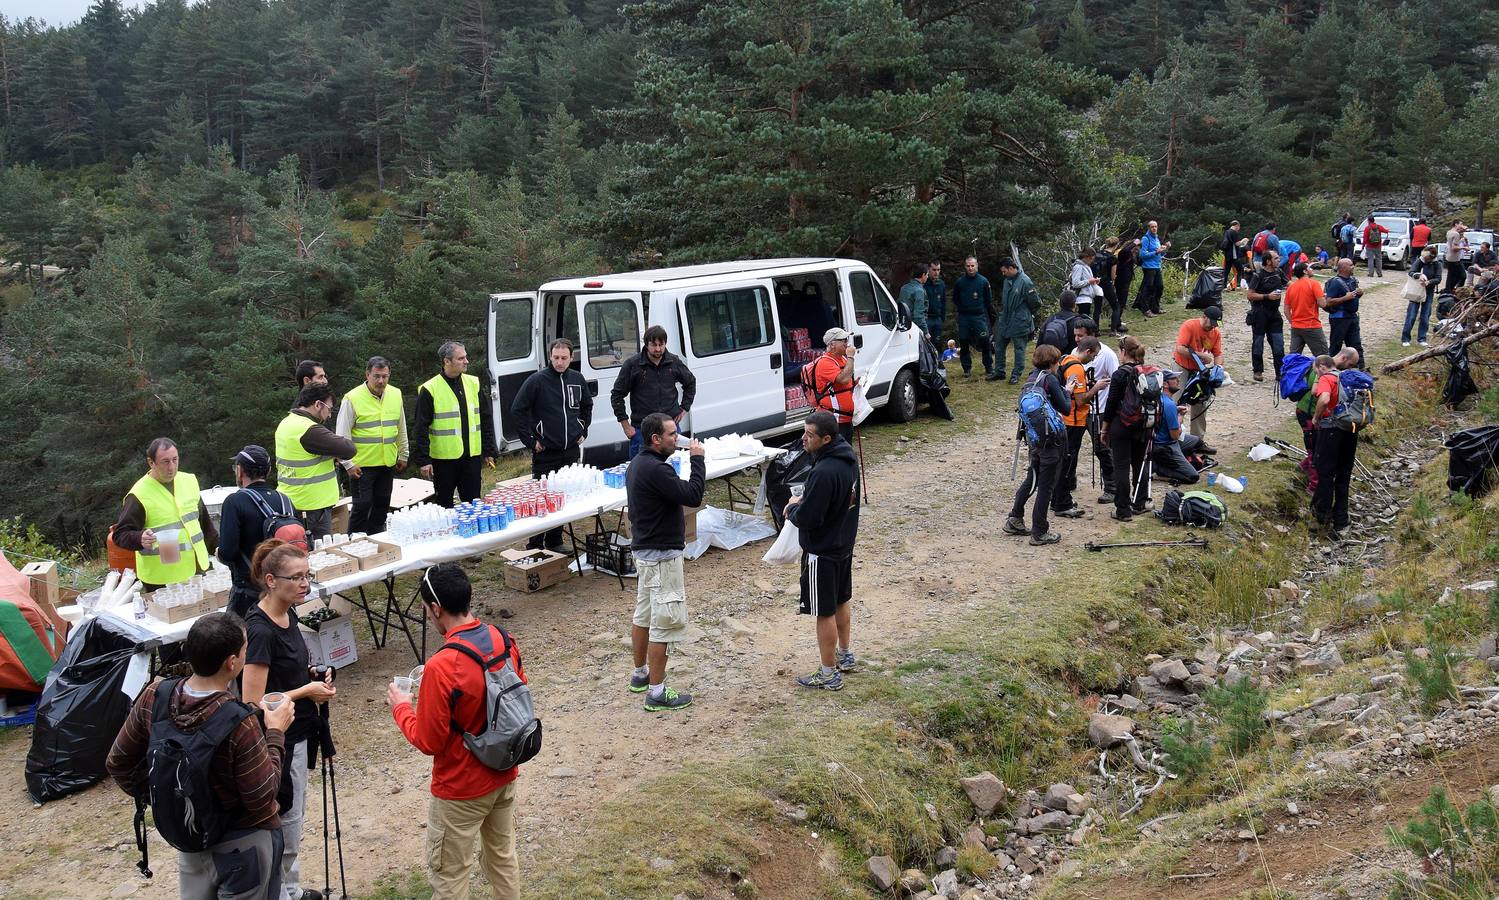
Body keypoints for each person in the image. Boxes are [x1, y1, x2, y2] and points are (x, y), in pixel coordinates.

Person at [107, 611, 291, 900]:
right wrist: (276, 732)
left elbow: (118, 762)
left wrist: (170, 795)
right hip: (242, 846)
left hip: (191, 840)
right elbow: (262, 797)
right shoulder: (238, 720)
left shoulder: (155, 695)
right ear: (232, 662)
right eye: (244, 650)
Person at [387, 563, 526, 900]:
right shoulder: (502, 639)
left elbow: (428, 740)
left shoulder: (441, 665)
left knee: (449, 877)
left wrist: (402, 706)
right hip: (504, 773)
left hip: (461, 787)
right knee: (502, 860)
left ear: (436, 609)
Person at [239, 540, 338, 900]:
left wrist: (311, 673)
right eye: (295, 578)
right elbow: (251, 702)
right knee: (288, 819)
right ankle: (285, 893)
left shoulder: (287, 612)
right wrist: (305, 691)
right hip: (279, 739)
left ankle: (288, 889)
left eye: (306, 576)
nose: (304, 584)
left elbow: (287, 670)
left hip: (299, 730)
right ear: (270, 580)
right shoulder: (261, 629)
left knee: (293, 818)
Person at [625, 413, 706, 711]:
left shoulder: (639, 464)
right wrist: (697, 460)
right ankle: (656, 692)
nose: (678, 437)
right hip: (661, 557)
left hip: (645, 552)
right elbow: (693, 495)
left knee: (643, 615)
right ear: (655, 439)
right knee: (665, 622)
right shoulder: (657, 469)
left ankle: (640, 675)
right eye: (672, 434)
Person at [784, 411, 861, 690]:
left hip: (822, 551)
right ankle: (844, 654)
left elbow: (808, 518)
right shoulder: (848, 460)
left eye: (809, 435)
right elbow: (838, 499)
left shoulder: (823, 471)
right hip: (844, 543)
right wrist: (807, 498)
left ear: (826, 438)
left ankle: (828, 673)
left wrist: (792, 508)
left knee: (823, 611)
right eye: (804, 432)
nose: (803, 439)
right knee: (841, 600)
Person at [513, 339, 592, 551]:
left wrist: (583, 429)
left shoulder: (577, 379)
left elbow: (587, 405)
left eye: (564, 358)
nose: (559, 362)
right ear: (550, 356)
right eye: (555, 358)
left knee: (562, 496)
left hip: (570, 450)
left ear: (571, 358)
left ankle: (555, 540)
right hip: (546, 452)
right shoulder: (537, 380)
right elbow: (517, 410)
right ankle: (535, 543)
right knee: (542, 496)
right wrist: (530, 441)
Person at [112, 437, 219, 592]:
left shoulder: (189, 481)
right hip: (161, 582)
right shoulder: (139, 494)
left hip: (198, 571)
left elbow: (204, 524)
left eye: (175, 460)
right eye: (165, 461)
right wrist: (139, 538)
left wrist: (219, 548)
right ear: (151, 462)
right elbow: (120, 535)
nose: (172, 467)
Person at [1001, 344, 1074, 546]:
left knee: (1031, 479)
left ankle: (1015, 518)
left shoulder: (1031, 378)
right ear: (1052, 362)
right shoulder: (1050, 379)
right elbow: (1066, 408)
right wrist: (1067, 391)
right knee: (1046, 488)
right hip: (1052, 442)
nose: (1059, 365)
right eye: (1057, 361)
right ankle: (1040, 532)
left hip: (1035, 440)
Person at [414, 340, 499, 509]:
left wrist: (489, 450)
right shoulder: (429, 389)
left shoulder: (473, 383)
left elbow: (486, 419)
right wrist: (424, 460)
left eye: (466, 357)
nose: (466, 361)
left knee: (474, 505)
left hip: (471, 458)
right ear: (447, 361)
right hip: (444, 462)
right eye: (461, 358)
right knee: (444, 507)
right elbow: (420, 428)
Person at [218, 445, 297, 617]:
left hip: (250, 594)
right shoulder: (285, 501)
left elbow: (228, 553)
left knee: (246, 642)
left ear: (240, 471)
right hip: (284, 588)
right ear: (268, 471)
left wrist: (219, 553)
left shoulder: (234, 501)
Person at [336, 356, 408, 535]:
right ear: (367, 374)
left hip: (387, 463)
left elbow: (401, 426)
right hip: (362, 466)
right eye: (377, 376)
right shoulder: (352, 398)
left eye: (385, 376)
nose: (381, 381)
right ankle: (355, 545)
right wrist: (348, 464)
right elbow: (341, 435)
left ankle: (378, 542)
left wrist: (404, 453)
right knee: (361, 507)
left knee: (382, 505)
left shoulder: (395, 394)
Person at [274, 382, 355, 541]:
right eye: (329, 409)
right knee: (318, 554)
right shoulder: (309, 430)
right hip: (313, 508)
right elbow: (348, 449)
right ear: (318, 404)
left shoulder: (286, 423)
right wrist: (333, 452)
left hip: (290, 502)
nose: (330, 415)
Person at [611, 325, 697, 460]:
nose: (657, 349)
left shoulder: (673, 361)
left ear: (665, 344)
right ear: (646, 344)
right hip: (642, 430)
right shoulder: (633, 365)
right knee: (642, 473)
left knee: (674, 469)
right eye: (653, 345)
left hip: (671, 428)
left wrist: (685, 407)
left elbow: (690, 382)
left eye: (661, 345)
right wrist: (625, 425)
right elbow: (617, 395)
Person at [1099, 337, 1153, 521]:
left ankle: (1123, 510)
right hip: (1144, 424)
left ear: (1123, 352)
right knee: (1139, 463)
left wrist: (1104, 429)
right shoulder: (1147, 371)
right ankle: (1140, 503)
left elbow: (1111, 403)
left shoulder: (1120, 374)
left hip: (1121, 426)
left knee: (1121, 466)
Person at [1051, 337, 1104, 517]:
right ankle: (1063, 504)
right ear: (1088, 351)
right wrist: (1096, 387)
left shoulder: (1065, 360)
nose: (1094, 359)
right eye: (1094, 355)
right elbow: (1081, 400)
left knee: (1062, 461)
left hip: (1064, 419)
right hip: (1074, 421)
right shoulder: (1077, 368)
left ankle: (1056, 499)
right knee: (1068, 462)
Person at [1311, 349, 1361, 537]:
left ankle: (1321, 516)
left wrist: (1316, 418)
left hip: (1331, 430)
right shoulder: (1348, 378)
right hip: (1351, 430)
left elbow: (1323, 399)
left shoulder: (1328, 378)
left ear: (1322, 367)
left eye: (1317, 372)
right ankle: (1341, 519)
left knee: (1325, 473)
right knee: (1343, 475)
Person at [1074, 319, 1119, 504]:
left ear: (1091, 336)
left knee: (1102, 450)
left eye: (1081, 335)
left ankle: (1112, 487)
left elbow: (1116, 381)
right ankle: (1069, 481)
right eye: (1075, 335)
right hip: (1078, 410)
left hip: (1098, 410)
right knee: (1071, 448)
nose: (1077, 339)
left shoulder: (1107, 354)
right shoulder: (1073, 353)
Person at [1171, 306, 1224, 438]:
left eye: (1216, 324)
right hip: (1181, 368)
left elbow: (1218, 354)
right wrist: (1201, 356)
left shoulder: (1215, 333)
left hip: (1199, 372)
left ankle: (1197, 439)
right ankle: (1171, 436)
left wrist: (1218, 368)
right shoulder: (1189, 326)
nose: (1213, 327)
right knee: (1175, 401)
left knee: (1200, 403)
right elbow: (1180, 348)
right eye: (1211, 323)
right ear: (1204, 317)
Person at [993, 258, 1042, 383]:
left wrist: (1025, 314)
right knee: (999, 345)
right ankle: (999, 372)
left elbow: (1035, 302)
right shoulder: (1007, 281)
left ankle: (1016, 374)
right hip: (1005, 318)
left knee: (1019, 348)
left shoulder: (1025, 281)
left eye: (1004, 271)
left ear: (1011, 268)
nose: (1003, 274)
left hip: (1020, 320)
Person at [1151, 371, 1203, 486]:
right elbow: (1175, 436)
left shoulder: (1159, 398)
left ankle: (1173, 460)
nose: (1178, 381)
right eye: (1174, 379)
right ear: (1165, 384)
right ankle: (1159, 469)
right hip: (1166, 446)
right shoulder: (1169, 405)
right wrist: (1180, 416)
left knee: (1197, 441)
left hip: (1157, 442)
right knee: (1192, 476)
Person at [1244, 251, 1287, 382]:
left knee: (1278, 343)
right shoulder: (1258, 275)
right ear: (1268, 261)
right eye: (1276, 258)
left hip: (1274, 313)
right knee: (1258, 342)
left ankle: (1280, 372)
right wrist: (1267, 296)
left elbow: (1289, 284)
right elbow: (1250, 295)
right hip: (1260, 312)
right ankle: (1257, 370)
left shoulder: (1279, 273)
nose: (1278, 260)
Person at [952, 256, 996, 377]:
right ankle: (966, 369)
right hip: (964, 317)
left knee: (985, 341)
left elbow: (988, 301)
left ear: (977, 266)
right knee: (964, 341)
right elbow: (955, 299)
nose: (970, 268)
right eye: (968, 266)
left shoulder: (983, 281)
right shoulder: (960, 282)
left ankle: (988, 367)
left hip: (979, 317)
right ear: (965, 267)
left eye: (973, 265)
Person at [811, 327, 858, 441]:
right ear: (832, 345)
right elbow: (843, 379)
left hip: (845, 418)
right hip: (833, 420)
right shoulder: (824, 362)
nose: (847, 343)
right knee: (837, 452)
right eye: (844, 340)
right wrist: (851, 357)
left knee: (846, 451)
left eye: (847, 339)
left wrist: (856, 383)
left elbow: (846, 382)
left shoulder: (842, 358)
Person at [1324, 258, 1366, 366]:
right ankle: (1331, 369)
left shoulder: (1353, 280)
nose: (1353, 267)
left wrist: (1359, 293)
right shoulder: (1335, 282)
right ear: (1343, 268)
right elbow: (1328, 302)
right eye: (1351, 265)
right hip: (1339, 318)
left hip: (1352, 317)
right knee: (1336, 346)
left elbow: (1353, 297)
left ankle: (1361, 369)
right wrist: (1345, 298)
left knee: (1356, 344)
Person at [1282, 262, 1328, 357]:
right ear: (1305, 271)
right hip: (1312, 325)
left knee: (1293, 357)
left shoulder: (1291, 287)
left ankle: (1290, 371)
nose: (1311, 270)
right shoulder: (1314, 284)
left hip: (1296, 327)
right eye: (1309, 268)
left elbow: (1286, 309)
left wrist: (1293, 322)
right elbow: (1322, 304)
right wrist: (1325, 298)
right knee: (1323, 357)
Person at [1403, 244, 1441, 347]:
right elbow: (1411, 272)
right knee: (1411, 315)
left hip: (1428, 292)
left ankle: (1421, 338)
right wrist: (1419, 275)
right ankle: (1405, 338)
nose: (1424, 259)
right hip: (1416, 291)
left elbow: (1438, 279)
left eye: (1426, 258)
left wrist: (1429, 282)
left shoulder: (1437, 264)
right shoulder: (1420, 260)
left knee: (1425, 316)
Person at [1138, 221, 1169, 316]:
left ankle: (1155, 308)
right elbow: (1142, 255)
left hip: (1156, 266)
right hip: (1148, 267)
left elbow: (1160, 253)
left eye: (1155, 226)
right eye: (1152, 227)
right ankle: (1145, 309)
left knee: (1159, 287)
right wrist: (1155, 252)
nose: (1154, 228)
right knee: (1148, 288)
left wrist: (1165, 248)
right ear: (1149, 228)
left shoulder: (1156, 238)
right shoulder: (1145, 238)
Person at [1096, 237, 1125, 334]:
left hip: (1097, 283)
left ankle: (1096, 330)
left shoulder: (1098, 254)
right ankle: (1113, 330)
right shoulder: (1112, 258)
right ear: (1116, 245)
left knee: (1097, 307)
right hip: (1107, 283)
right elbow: (1113, 276)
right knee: (1116, 306)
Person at [1068, 247, 1103, 323]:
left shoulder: (1086, 266)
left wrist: (1094, 281)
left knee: (1085, 320)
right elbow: (1076, 283)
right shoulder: (1078, 267)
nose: (1092, 261)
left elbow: (1086, 281)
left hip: (1087, 297)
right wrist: (1089, 281)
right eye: (1091, 258)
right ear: (1086, 257)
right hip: (1081, 298)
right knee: (1083, 322)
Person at [897, 263, 929, 332]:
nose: (927, 277)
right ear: (923, 275)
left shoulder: (903, 288)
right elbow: (918, 316)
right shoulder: (919, 291)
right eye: (927, 275)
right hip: (913, 328)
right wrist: (926, 331)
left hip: (902, 326)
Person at [1114, 235, 1137, 316]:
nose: (1136, 251)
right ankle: (1116, 322)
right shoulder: (1123, 254)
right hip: (1121, 281)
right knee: (1121, 301)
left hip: (1125, 281)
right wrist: (1134, 244)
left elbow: (1141, 262)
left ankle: (1117, 320)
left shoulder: (1131, 256)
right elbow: (1124, 251)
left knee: (1122, 301)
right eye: (1135, 248)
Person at [924, 260, 947, 340]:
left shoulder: (941, 284)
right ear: (929, 270)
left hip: (938, 319)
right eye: (934, 270)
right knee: (925, 344)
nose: (936, 272)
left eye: (938, 270)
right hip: (927, 319)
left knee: (937, 344)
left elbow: (943, 302)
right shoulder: (923, 284)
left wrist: (942, 318)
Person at [1444, 221, 1469, 292]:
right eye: (1461, 224)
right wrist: (1463, 248)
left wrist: (1463, 232)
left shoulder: (1449, 232)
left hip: (1450, 258)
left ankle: (1448, 290)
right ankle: (1455, 290)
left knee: (1450, 276)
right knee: (1461, 276)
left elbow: (1454, 242)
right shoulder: (1456, 234)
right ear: (1456, 224)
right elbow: (1454, 248)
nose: (1462, 226)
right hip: (1454, 259)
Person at [1221, 220, 1245, 290]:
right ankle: (1237, 285)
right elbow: (1237, 243)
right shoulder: (1234, 232)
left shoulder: (1227, 232)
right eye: (1239, 226)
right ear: (1237, 225)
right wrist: (1243, 241)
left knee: (1226, 271)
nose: (1239, 228)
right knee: (1240, 269)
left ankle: (1224, 286)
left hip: (1227, 254)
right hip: (1234, 254)